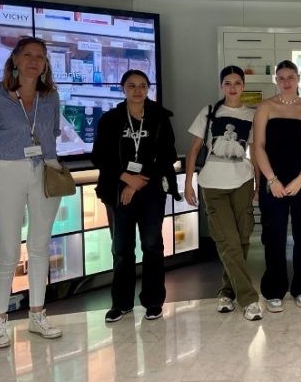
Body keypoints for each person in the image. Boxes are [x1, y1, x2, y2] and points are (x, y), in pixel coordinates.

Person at [0, 36, 63, 348]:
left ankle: (37, 314)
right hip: (6, 172)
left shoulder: (51, 97)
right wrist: (4, 166)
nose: (34, 61)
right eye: (28, 54)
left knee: (40, 247)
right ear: (15, 59)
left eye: (40, 56)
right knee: (9, 251)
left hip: (45, 171)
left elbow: (52, 134)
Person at [92, 69, 180, 323]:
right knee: (121, 248)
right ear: (123, 89)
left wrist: (138, 182)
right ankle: (121, 303)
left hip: (150, 189)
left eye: (142, 85)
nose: (138, 90)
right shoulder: (110, 119)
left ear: (148, 88)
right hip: (118, 191)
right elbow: (100, 156)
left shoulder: (160, 118)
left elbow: (168, 156)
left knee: (152, 246)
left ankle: (153, 301)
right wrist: (126, 178)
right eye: (132, 85)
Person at [184, 66, 262, 321]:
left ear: (243, 85)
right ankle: (249, 299)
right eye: (227, 83)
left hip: (242, 181)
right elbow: (194, 149)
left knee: (240, 240)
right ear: (221, 86)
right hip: (213, 184)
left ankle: (226, 292)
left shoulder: (252, 114)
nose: (232, 87)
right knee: (227, 241)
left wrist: (258, 184)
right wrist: (188, 183)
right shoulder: (208, 113)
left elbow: (256, 151)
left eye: (237, 82)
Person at [253, 60, 301, 313]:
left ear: (298, 78)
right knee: (274, 235)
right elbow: (258, 146)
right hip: (274, 178)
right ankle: (274, 289)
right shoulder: (266, 107)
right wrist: (271, 180)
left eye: (290, 77)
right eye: (281, 78)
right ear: (276, 81)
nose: (286, 82)